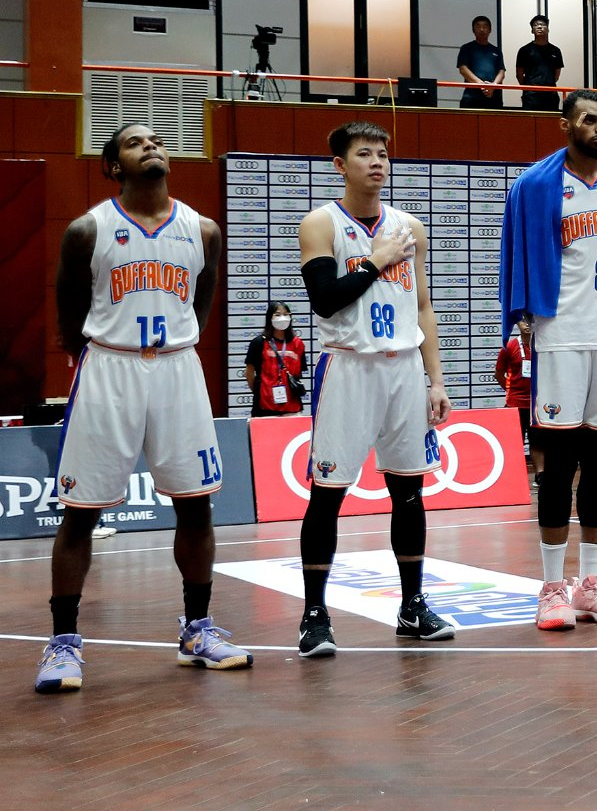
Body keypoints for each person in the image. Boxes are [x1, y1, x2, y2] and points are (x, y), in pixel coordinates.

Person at [37, 125, 246, 693]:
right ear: (113, 167)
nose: (151, 146)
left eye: (156, 140)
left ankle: (197, 629)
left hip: (178, 368)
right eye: (134, 143)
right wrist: (100, 353)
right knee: (81, 512)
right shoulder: (88, 230)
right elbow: (68, 313)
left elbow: (203, 304)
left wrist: (178, 344)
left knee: (196, 505)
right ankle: (63, 643)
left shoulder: (202, 230)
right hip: (110, 367)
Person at [296, 121, 456, 658]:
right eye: (364, 153)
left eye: (383, 153)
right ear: (340, 164)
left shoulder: (409, 225)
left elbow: (424, 306)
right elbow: (324, 299)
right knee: (328, 494)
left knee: (409, 491)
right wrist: (377, 259)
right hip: (349, 366)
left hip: (405, 368)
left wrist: (436, 379)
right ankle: (314, 615)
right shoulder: (321, 225)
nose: (377, 161)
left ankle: (412, 606)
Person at [502, 90, 597, 626]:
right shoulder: (536, 185)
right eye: (589, 118)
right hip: (561, 335)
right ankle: (551, 587)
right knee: (558, 464)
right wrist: (520, 319)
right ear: (565, 122)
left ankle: (590, 584)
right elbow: (516, 257)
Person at [494, 314, 537, 490]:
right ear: (516, 324)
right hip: (515, 404)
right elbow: (498, 373)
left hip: (535, 404)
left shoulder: (540, 345)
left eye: (528, 321)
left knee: (538, 443)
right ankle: (513, 476)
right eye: (522, 321)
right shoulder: (509, 346)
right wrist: (510, 392)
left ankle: (540, 475)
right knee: (514, 443)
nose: (526, 325)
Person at [243, 300, 305, 417]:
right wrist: (261, 391)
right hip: (265, 407)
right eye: (277, 314)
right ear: (269, 318)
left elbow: (298, 374)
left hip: (292, 408)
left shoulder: (298, 344)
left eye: (286, 314)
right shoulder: (259, 342)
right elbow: (249, 373)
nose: (282, 318)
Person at [515, 14, 565, 111]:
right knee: (530, 123)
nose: (539, 27)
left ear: (548, 29)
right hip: (531, 95)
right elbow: (519, 74)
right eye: (536, 25)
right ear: (532, 30)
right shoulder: (524, 50)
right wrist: (529, 89)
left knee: (549, 123)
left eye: (543, 24)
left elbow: (556, 75)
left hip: (551, 94)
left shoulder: (555, 51)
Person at [456, 15, 506, 108]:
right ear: (473, 30)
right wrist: (481, 84)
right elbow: (463, 69)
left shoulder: (496, 51)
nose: (482, 29)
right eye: (478, 26)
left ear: (490, 30)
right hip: (472, 96)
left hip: (493, 96)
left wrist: (493, 86)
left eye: (485, 26)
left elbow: (501, 72)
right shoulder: (466, 48)